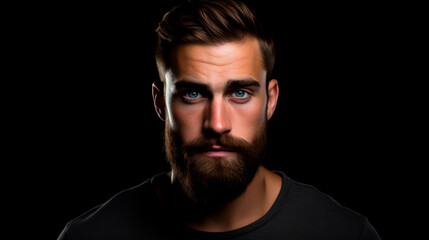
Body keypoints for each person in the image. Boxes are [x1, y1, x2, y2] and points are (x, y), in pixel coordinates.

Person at [58, 0, 381, 239]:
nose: (216, 123)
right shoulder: (90, 236)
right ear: (160, 103)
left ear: (271, 101)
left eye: (239, 93)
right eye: (193, 95)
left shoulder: (344, 234)